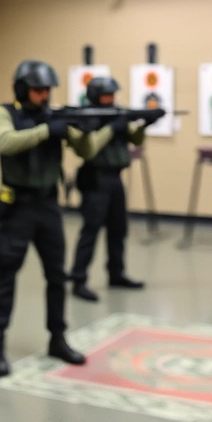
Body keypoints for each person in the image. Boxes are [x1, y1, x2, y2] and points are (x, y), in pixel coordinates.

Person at [0, 60, 89, 377]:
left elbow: (85, 150)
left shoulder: (54, 113)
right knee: (7, 278)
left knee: (57, 276)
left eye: (47, 90)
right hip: (17, 207)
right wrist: (47, 130)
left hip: (48, 206)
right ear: (21, 89)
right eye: (37, 90)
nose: (44, 96)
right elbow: (5, 142)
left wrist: (83, 130)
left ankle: (57, 338)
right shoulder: (4, 113)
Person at [68, 77, 152, 303]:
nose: (111, 99)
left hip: (115, 179)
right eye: (107, 95)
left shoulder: (116, 113)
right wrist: (111, 127)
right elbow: (90, 146)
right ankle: (78, 279)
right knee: (91, 231)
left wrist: (143, 124)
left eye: (112, 95)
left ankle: (116, 274)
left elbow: (135, 139)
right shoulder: (86, 117)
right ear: (95, 96)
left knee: (118, 230)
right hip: (95, 179)